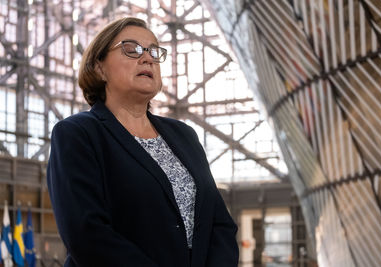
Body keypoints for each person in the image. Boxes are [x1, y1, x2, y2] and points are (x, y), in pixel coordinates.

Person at [47, 17, 239, 267]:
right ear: (99, 68)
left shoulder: (184, 135)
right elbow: (87, 233)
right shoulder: (77, 133)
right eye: (132, 49)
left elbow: (219, 224)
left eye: (153, 51)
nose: (147, 57)